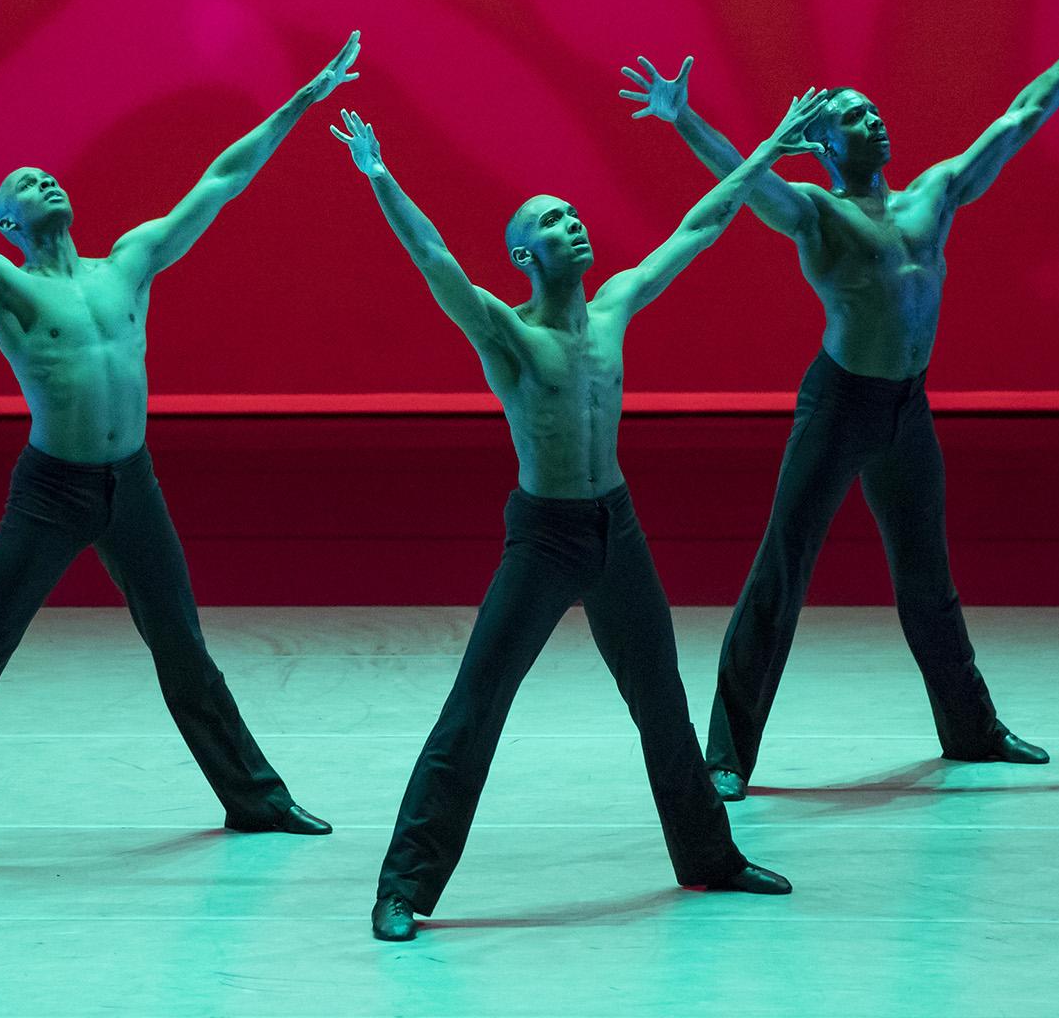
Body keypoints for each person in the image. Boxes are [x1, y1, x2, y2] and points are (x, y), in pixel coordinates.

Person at [0, 32, 363, 876]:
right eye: (22, 186)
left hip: (134, 486)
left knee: (182, 645)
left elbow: (220, 181)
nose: (44, 181)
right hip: (53, 490)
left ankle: (254, 799)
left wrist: (303, 98)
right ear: (7, 225)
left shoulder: (130, 264)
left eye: (49, 175)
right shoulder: (3, 286)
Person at [619, 0, 1059, 797]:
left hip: (906, 408)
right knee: (783, 569)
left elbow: (1019, 120)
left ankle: (970, 730)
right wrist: (685, 116)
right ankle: (726, 755)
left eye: (875, 110)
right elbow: (744, 187)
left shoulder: (932, 198)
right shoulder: (814, 214)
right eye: (855, 118)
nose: (877, 120)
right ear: (826, 144)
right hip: (839, 404)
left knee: (926, 577)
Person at [330, 101, 823, 941]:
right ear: (526, 255)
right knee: (475, 707)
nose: (576, 223)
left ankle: (710, 856)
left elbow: (702, 224)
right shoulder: (508, 333)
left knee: (663, 703)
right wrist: (382, 178)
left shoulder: (618, 305)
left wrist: (769, 146)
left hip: (615, 530)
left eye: (575, 212)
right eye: (554, 221)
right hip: (545, 538)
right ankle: (403, 887)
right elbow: (435, 258)